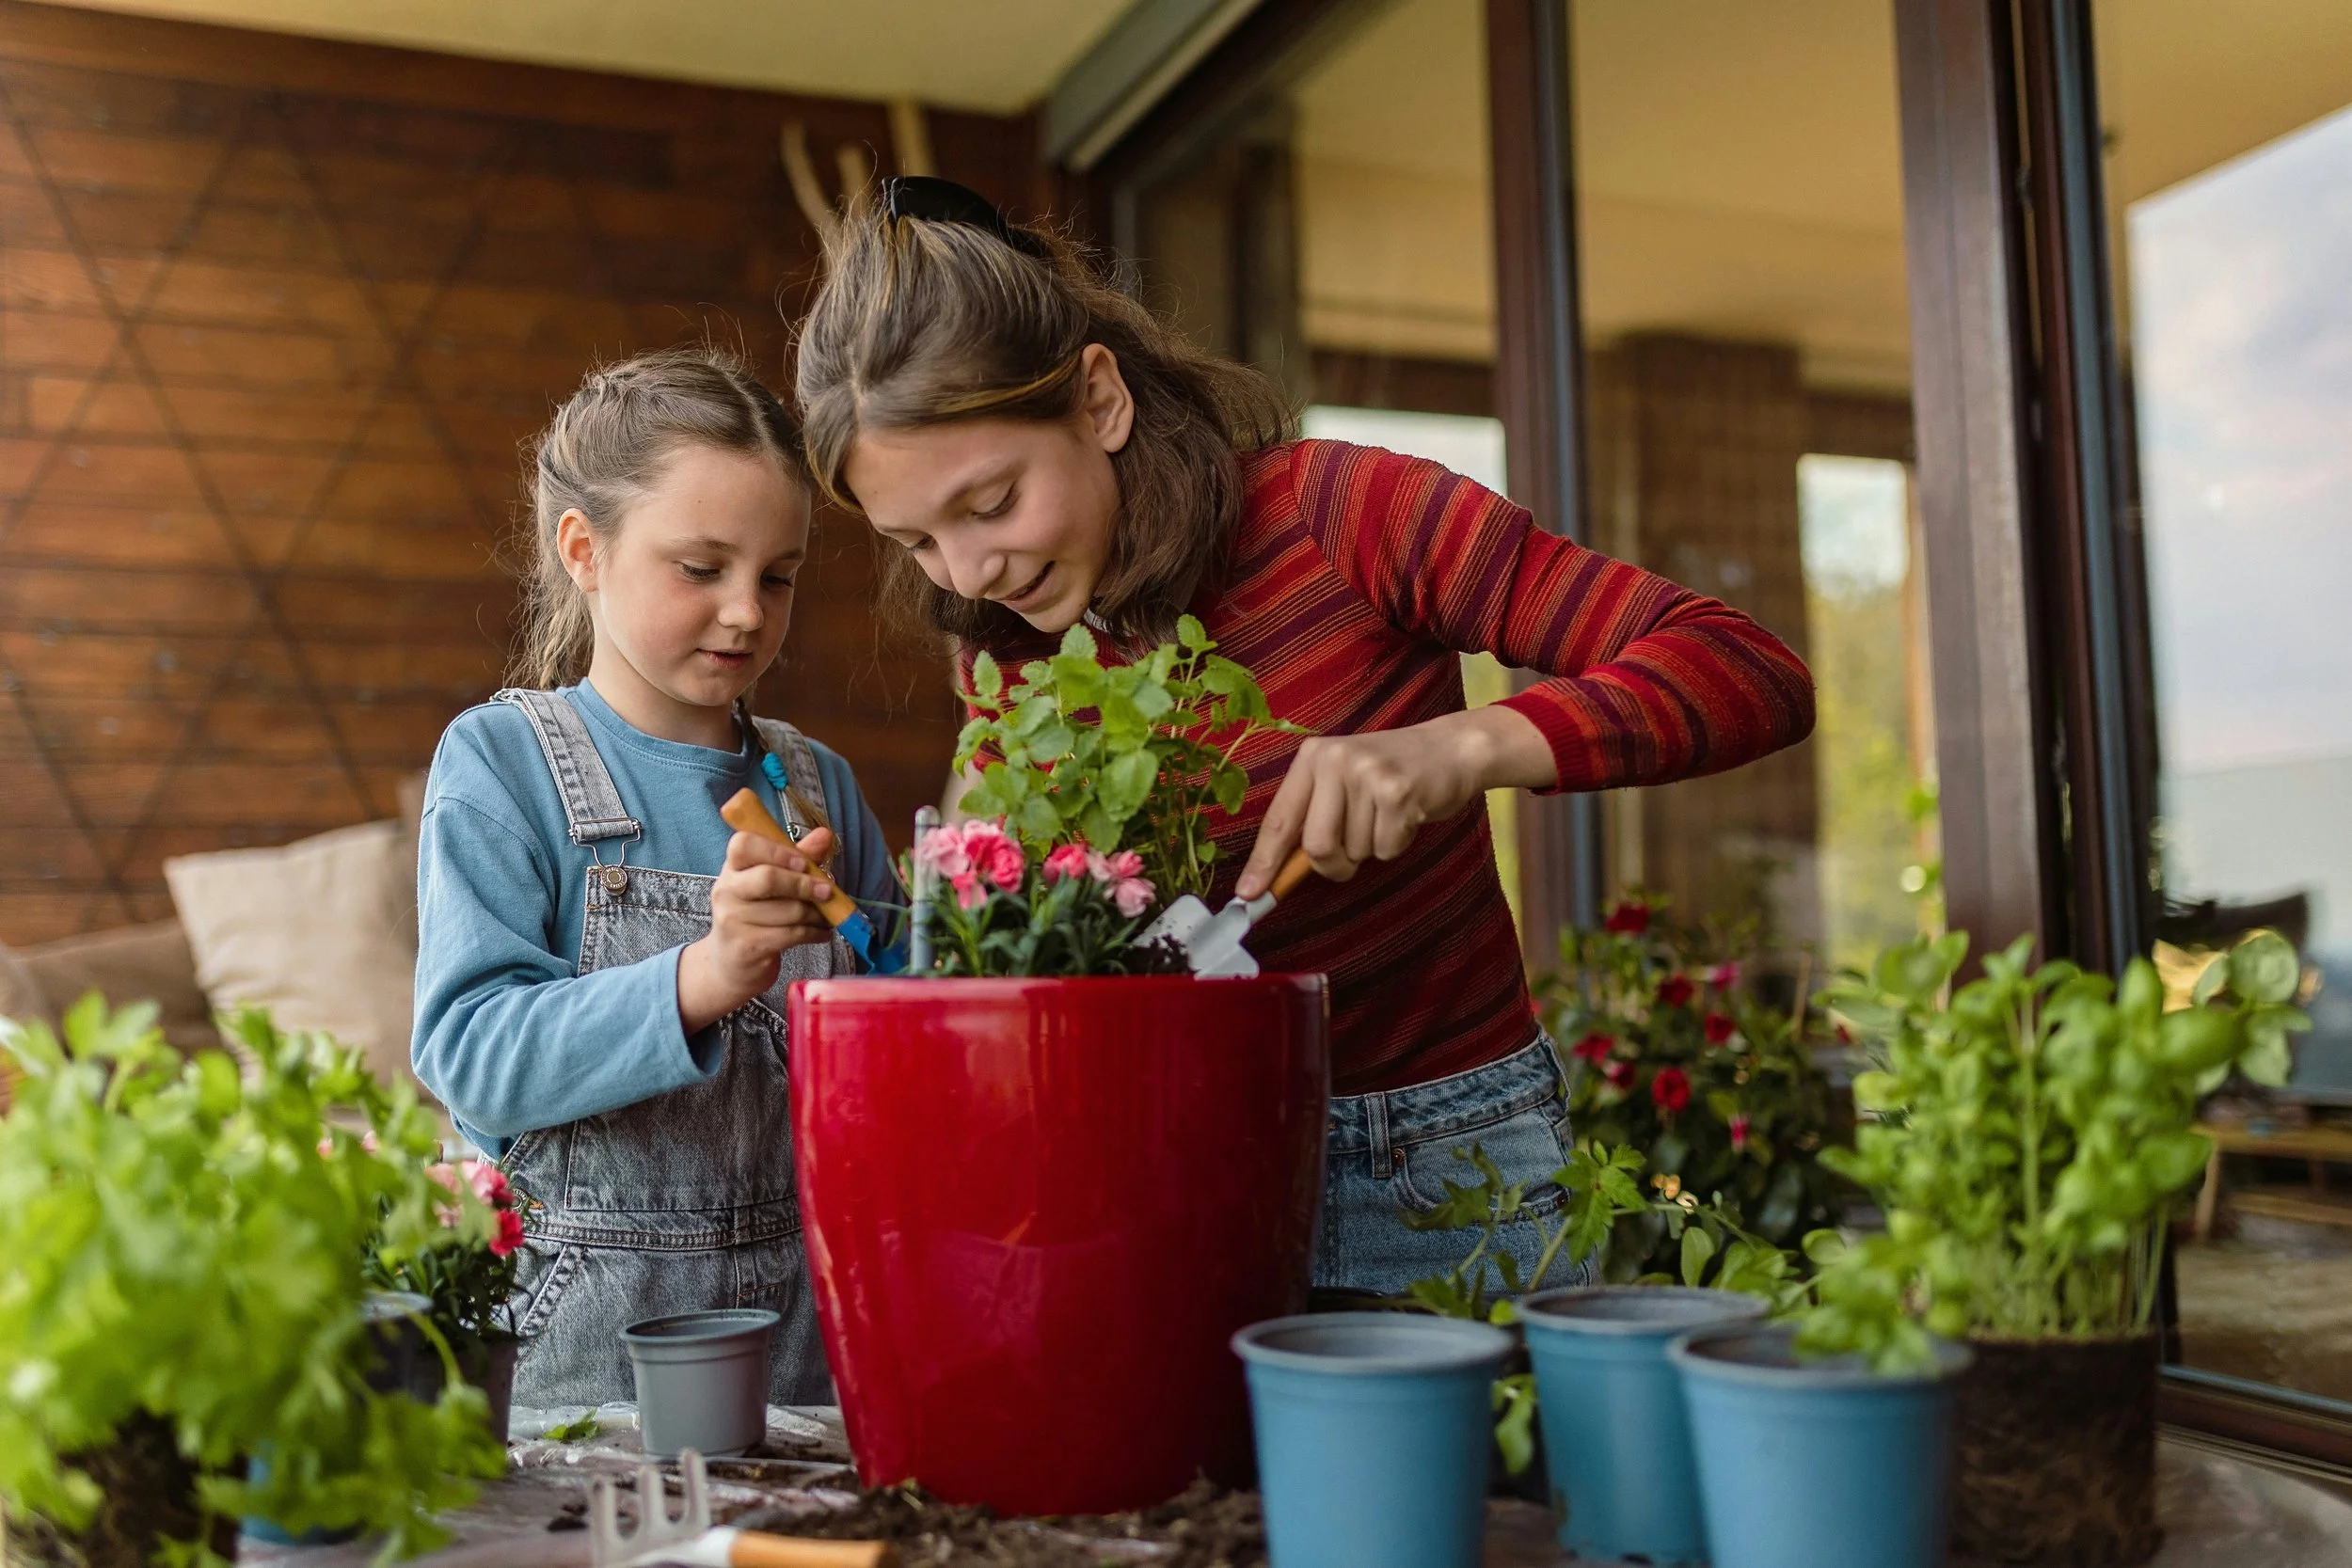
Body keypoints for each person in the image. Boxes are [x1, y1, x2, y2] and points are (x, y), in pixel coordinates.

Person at [793, 178, 1815, 1294]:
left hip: (1443, 1164)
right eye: (918, 540)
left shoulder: (1341, 515)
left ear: (1099, 401)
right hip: (1171, 1168)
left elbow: (1743, 669)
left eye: (990, 504)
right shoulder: (1006, 649)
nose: (969, 570)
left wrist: (1455, 751)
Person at [411, 345, 899, 1405]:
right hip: (578, 1379)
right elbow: (470, 1057)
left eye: (778, 576)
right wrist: (706, 973)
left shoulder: (819, 791)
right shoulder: (502, 764)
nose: (746, 612)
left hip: (809, 1368)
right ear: (584, 550)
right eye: (701, 567)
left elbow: (907, 1059)